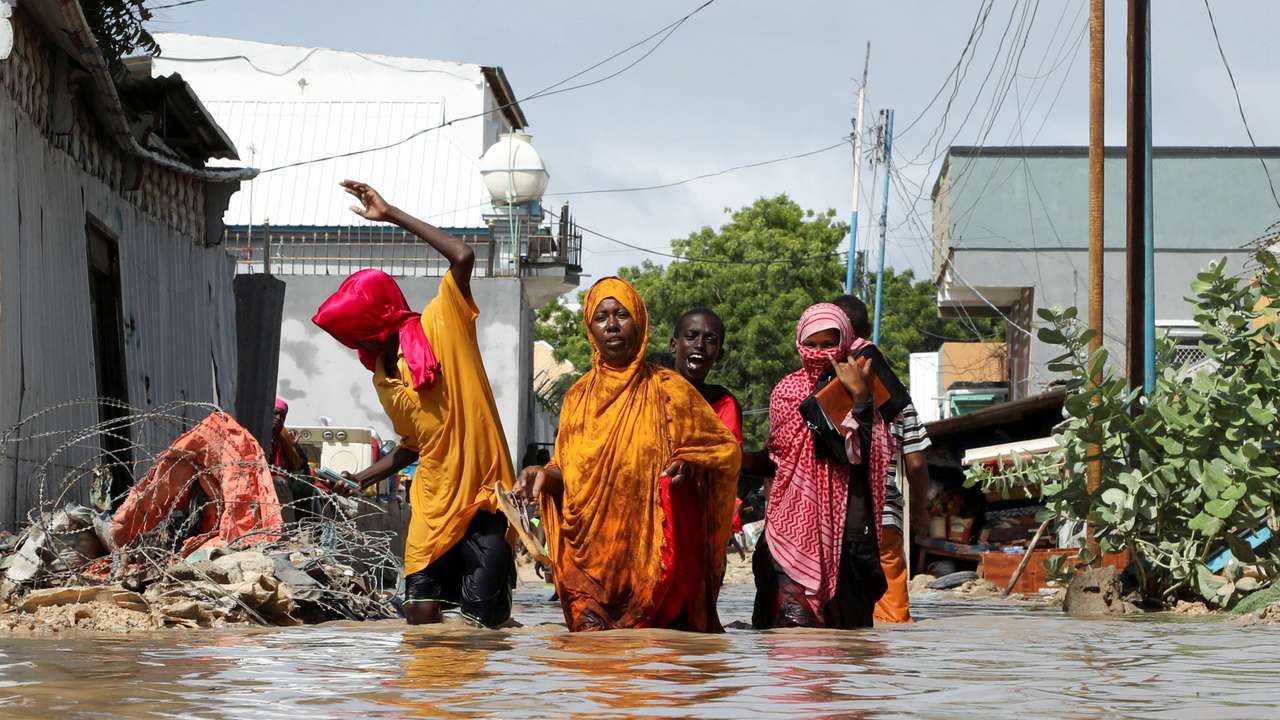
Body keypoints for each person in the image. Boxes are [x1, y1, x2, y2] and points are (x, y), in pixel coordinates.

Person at [311, 180, 515, 628]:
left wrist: (391, 214)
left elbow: (462, 256)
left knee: (483, 625)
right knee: (419, 614)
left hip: (482, 503)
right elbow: (413, 446)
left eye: (357, 330)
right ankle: (421, 697)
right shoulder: (382, 377)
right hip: (432, 502)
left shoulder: (444, 323)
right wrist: (359, 479)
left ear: (378, 315)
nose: (355, 341)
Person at [514, 277, 741, 632]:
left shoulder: (670, 391)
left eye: (622, 314)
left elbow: (724, 452)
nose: (612, 325)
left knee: (653, 669)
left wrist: (688, 466)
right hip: (589, 566)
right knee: (591, 669)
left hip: (654, 563)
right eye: (601, 317)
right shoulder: (577, 399)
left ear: (639, 321)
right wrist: (542, 475)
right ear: (591, 328)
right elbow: (569, 474)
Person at [752, 303, 894, 629]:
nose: (818, 353)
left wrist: (859, 397)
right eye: (810, 344)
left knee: (850, 642)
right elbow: (780, 454)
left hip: (851, 529)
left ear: (843, 342)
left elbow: (872, 453)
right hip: (791, 524)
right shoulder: (785, 391)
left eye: (828, 344)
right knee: (793, 636)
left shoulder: (867, 383)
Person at [832, 294, 932, 624]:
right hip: (885, 518)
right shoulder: (900, 402)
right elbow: (916, 464)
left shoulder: (826, 394)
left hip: (835, 520)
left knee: (836, 625)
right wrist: (919, 511)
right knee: (892, 623)